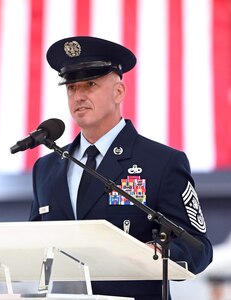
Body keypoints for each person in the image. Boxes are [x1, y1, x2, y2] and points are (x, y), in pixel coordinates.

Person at [29, 36, 213, 300]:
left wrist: (156, 253)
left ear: (119, 92)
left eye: (90, 85)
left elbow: (198, 247)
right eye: (71, 87)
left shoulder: (161, 162)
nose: (78, 96)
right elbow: (33, 246)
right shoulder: (46, 168)